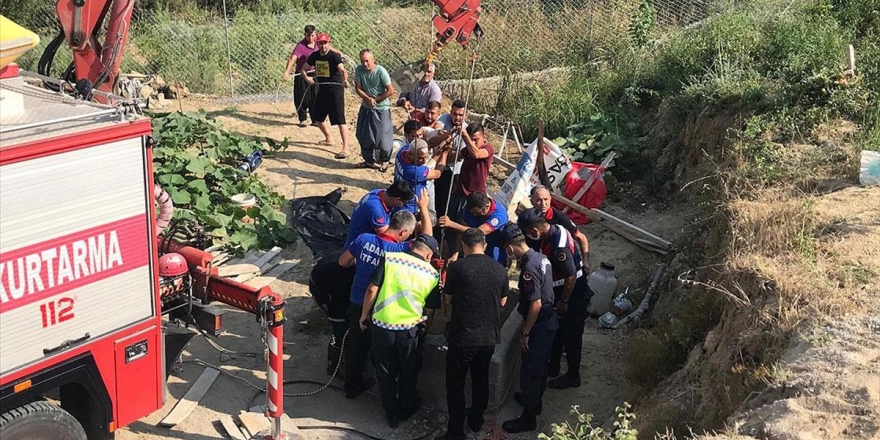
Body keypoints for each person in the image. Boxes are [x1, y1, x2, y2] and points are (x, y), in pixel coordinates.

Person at [338, 199, 432, 399]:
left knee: (355, 347)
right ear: (404, 233)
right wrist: (423, 208)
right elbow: (427, 239)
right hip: (381, 308)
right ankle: (390, 394)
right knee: (383, 353)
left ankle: (351, 386)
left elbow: (343, 262)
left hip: (356, 301)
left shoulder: (363, 239)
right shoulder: (399, 251)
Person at [359, 234, 442, 428]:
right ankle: (407, 407)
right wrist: (425, 330)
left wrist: (364, 314)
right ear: (429, 254)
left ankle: (391, 413)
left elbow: (372, 289)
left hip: (381, 327)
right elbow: (430, 310)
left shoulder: (390, 259)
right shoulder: (431, 274)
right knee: (409, 371)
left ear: (412, 246)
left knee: (385, 371)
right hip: (409, 331)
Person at [439, 228, 509, 440]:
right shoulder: (499, 269)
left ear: (464, 245)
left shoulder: (458, 267)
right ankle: (476, 422)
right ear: (485, 245)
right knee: (480, 380)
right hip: (488, 336)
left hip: (463, 336)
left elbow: (448, 299)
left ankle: (455, 432)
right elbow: (503, 302)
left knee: (456, 384)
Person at [517, 209, 593, 390]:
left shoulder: (559, 247)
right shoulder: (554, 230)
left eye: (529, 233)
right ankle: (554, 366)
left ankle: (573, 375)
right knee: (559, 332)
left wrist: (564, 301)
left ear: (535, 231)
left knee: (572, 336)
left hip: (573, 296)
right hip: (563, 293)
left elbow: (571, 276)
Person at [499, 223, 558, 433]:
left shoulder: (529, 268)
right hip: (548, 322)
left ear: (509, 249)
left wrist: (525, 332)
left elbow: (536, 303)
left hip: (539, 326)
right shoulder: (540, 257)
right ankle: (534, 402)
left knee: (531, 372)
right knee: (540, 368)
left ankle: (528, 418)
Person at [302, 32, 351, 159]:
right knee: (318, 118)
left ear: (329, 43)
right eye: (320, 43)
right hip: (322, 89)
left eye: (325, 43)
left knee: (340, 120)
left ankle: (346, 148)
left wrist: (345, 80)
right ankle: (329, 138)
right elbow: (303, 69)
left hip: (335, 89)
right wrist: (307, 78)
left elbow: (342, 70)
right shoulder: (314, 55)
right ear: (317, 44)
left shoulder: (334, 56)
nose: (323, 45)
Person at [308, 251, 356, 377]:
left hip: (335, 295)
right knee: (340, 332)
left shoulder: (343, 259)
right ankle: (334, 366)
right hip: (333, 301)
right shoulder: (332, 272)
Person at [527, 185, 590, 274]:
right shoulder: (528, 218)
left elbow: (581, 237)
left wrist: (586, 262)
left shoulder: (560, 218)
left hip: (561, 265)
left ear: (550, 199)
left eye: (546, 199)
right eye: (538, 200)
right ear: (531, 201)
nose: (543, 204)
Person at [439, 192, 508, 265]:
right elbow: (463, 231)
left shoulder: (499, 215)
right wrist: (456, 254)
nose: (474, 215)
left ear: (486, 207)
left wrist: (451, 224)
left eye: (477, 213)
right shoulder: (469, 209)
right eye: (472, 213)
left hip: (494, 244)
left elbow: (478, 233)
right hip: (475, 244)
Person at [354, 49, 395, 172]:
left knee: (383, 137)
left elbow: (390, 90)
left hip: (381, 108)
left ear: (373, 60)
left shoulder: (381, 71)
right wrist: (367, 98)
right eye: (362, 61)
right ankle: (368, 160)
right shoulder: (359, 70)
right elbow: (358, 88)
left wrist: (376, 100)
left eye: (367, 61)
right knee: (363, 134)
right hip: (366, 107)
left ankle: (385, 160)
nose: (365, 64)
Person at [426, 100, 467, 218]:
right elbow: (438, 127)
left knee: (447, 203)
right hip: (440, 168)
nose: (457, 117)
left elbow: (458, 156)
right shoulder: (445, 118)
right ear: (451, 113)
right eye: (455, 114)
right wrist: (442, 133)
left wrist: (444, 151)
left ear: (466, 115)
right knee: (437, 199)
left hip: (453, 172)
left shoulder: (465, 131)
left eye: (460, 115)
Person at [344, 180, 414, 249]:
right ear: (397, 200)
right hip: (358, 249)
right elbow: (388, 237)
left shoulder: (379, 192)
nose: (402, 205)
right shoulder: (376, 209)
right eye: (404, 203)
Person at [393, 137, 449, 216]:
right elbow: (437, 173)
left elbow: (427, 145)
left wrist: (437, 154)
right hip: (411, 207)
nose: (424, 161)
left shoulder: (403, 151)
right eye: (420, 158)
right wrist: (445, 153)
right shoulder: (414, 171)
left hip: (398, 198)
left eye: (426, 157)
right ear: (410, 154)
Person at [283, 25, 318, 127]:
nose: (310, 38)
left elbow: (329, 48)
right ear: (304, 35)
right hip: (302, 74)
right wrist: (287, 72)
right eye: (308, 36)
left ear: (315, 34)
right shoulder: (300, 46)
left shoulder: (318, 43)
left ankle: (315, 119)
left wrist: (339, 54)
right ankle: (302, 118)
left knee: (315, 96)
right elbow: (292, 59)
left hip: (315, 73)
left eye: (312, 35)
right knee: (301, 96)